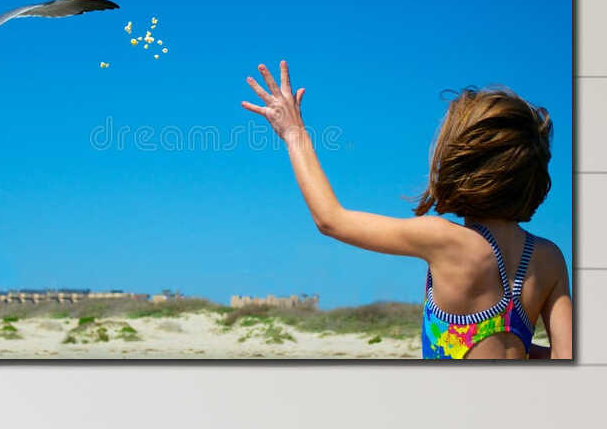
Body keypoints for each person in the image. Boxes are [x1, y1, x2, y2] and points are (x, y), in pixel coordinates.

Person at [241, 63, 571, 360]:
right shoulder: (548, 257)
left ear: (461, 163)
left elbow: (330, 219)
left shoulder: (445, 239)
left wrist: (294, 134)